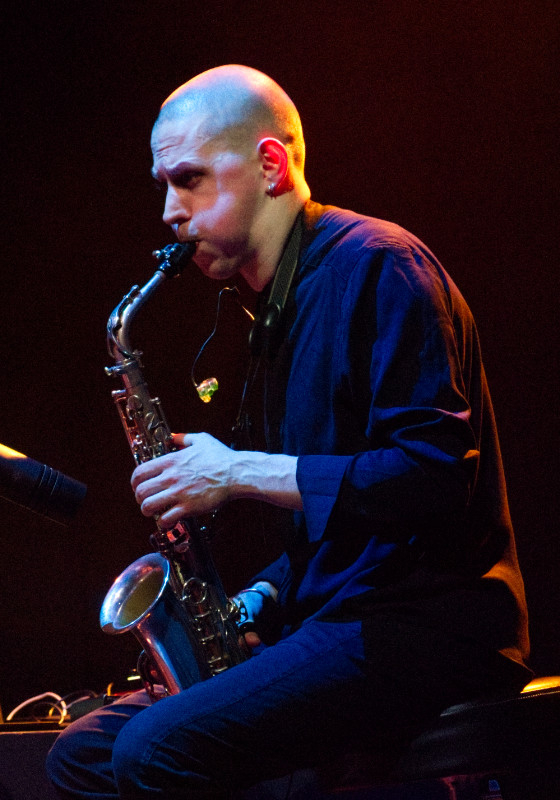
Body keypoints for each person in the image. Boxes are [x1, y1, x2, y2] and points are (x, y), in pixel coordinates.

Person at [47, 64, 531, 799]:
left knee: (152, 749)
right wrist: (258, 601)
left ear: (271, 165)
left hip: (431, 626)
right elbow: (335, 526)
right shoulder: (272, 311)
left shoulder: (381, 267)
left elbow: (433, 478)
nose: (171, 212)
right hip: (340, 619)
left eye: (191, 179)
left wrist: (238, 472)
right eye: (164, 187)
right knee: (79, 753)